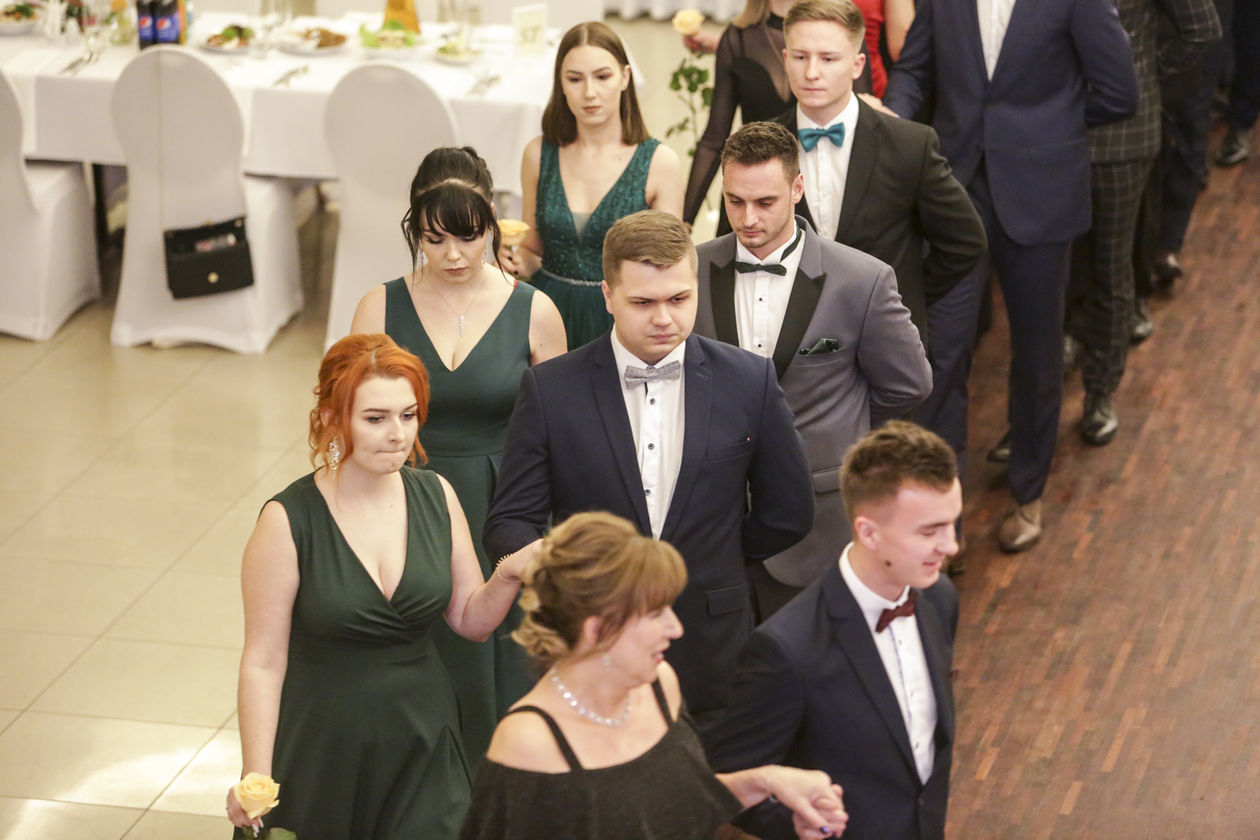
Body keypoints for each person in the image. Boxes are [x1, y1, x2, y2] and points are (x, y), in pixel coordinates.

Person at [484, 209, 814, 743]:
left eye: (679, 299)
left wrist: (718, 557)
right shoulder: (551, 389)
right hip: (591, 640)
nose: (664, 318)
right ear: (608, 295)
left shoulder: (748, 380)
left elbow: (789, 511)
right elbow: (510, 522)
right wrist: (576, 580)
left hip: (712, 639)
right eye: (643, 303)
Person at [227, 334, 539, 840]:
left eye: (408, 415)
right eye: (375, 419)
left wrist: (505, 575)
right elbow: (263, 661)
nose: (398, 434)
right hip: (323, 738)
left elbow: (470, 621)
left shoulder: (437, 494)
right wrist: (256, 774)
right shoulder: (287, 521)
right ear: (332, 418)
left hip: (423, 732)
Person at [882, 0, 1139, 552]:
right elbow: (914, 69)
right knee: (941, 352)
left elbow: (1120, 92)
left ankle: (1029, 491)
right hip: (956, 190)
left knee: (1037, 353)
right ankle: (941, 516)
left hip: (1041, 192)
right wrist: (892, 119)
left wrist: (1051, 124)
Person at [349, 147, 566, 762]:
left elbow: (559, 436)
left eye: (468, 237)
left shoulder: (534, 310)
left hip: (504, 502)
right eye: (434, 238)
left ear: (491, 223)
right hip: (403, 499)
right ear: (414, 229)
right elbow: (350, 422)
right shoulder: (379, 306)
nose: (452, 256)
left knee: (501, 663)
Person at [461, 511, 849, 840]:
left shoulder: (659, 683)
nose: (675, 628)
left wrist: (768, 781)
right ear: (598, 629)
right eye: (655, 614)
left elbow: (682, 807)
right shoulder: (529, 742)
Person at [694, 120, 933, 620]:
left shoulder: (862, 280)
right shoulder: (690, 272)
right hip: (715, 524)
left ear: (797, 188)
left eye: (765, 202)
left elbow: (909, 383)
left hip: (820, 521)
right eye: (735, 201)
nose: (748, 218)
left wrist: (843, 426)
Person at [708, 421, 962, 840]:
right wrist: (805, 823)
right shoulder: (786, 649)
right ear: (868, 532)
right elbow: (728, 781)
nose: (951, 545)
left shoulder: (939, 598)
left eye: (951, 524)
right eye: (929, 531)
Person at [771, 0, 986, 347]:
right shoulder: (762, 144)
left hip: (885, 342)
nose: (811, 72)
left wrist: (902, 299)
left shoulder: (909, 145)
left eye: (828, 58)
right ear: (785, 59)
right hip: (789, 343)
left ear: (857, 65)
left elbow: (965, 241)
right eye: (800, 57)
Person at [1063, 0, 1219, 445]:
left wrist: (1141, 74)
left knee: (1112, 268)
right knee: (1048, 267)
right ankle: (1062, 353)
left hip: (1122, 136)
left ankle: (1100, 391)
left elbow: (1202, 28)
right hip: (1051, 131)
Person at [501, 21, 684, 350]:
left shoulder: (660, 163)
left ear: (625, 78)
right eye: (575, 79)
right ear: (560, 83)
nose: (589, 92)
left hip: (623, 324)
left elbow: (669, 272)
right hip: (547, 315)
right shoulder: (538, 155)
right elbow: (531, 249)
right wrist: (512, 258)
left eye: (602, 77)